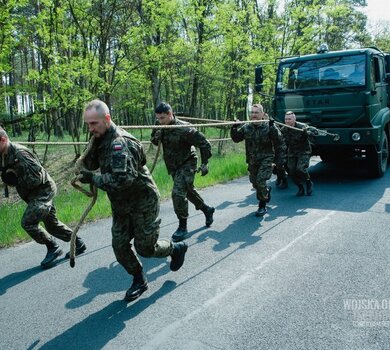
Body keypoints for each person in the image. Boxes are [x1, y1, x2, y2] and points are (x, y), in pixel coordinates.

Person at [77, 99, 188, 302]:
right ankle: (139, 279)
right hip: (121, 204)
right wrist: (91, 147)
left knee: (145, 248)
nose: (90, 128)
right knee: (119, 245)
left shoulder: (121, 143)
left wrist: (92, 178)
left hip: (142, 201)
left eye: (94, 123)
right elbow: (92, 163)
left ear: (107, 119)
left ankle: (175, 248)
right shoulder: (100, 138)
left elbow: (122, 181)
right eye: (88, 124)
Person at [0, 127, 86, 268]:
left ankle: (53, 247)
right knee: (52, 226)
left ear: (3, 140)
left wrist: (16, 180)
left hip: (43, 191)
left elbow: (37, 178)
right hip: (31, 194)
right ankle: (78, 244)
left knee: (28, 222)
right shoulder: (3, 154)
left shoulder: (20, 153)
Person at [151, 102, 215, 242]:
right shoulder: (160, 126)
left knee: (178, 194)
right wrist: (157, 134)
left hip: (188, 163)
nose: (160, 121)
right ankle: (207, 209)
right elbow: (155, 142)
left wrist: (205, 164)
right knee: (188, 192)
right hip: (174, 166)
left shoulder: (185, 128)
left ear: (170, 114)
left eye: (162, 118)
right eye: (158, 118)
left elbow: (204, 144)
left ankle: (182, 226)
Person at [230, 104, 286, 217]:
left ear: (262, 114)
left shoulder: (268, 126)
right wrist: (234, 127)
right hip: (252, 160)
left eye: (256, 113)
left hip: (266, 159)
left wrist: (279, 160)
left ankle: (262, 205)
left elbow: (279, 141)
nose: (254, 115)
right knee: (255, 183)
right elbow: (236, 139)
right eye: (252, 112)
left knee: (260, 181)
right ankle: (265, 191)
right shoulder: (246, 127)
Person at [280, 111, 314, 196]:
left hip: (304, 151)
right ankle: (300, 187)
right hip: (292, 152)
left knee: (300, 169)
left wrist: (307, 132)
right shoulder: (284, 129)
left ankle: (308, 182)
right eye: (286, 119)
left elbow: (311, 135)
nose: (287, 121)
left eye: (289, 119)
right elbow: (278, 139)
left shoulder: (302, 127)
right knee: (291, 171)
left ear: (294, 119)